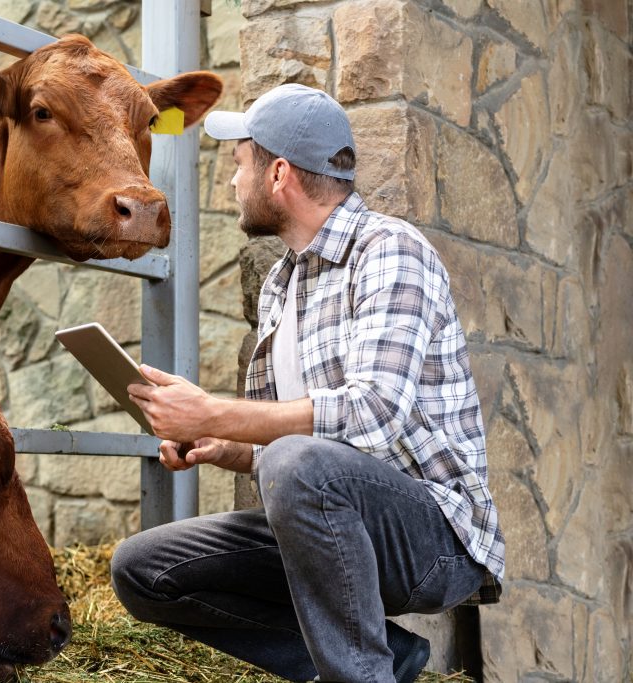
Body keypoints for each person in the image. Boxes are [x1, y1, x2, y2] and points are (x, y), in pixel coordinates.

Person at [113, 84, 505, 683]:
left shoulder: (389, 251)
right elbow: (293, 445)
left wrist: (211, 411)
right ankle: (387, 659)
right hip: (329, 523)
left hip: (436, 540)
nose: (231, 184)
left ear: (278, 174)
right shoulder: (281, 283)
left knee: (297, 463)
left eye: (238, 164)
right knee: (143, 569)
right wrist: (225, 448)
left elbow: (372, 415)